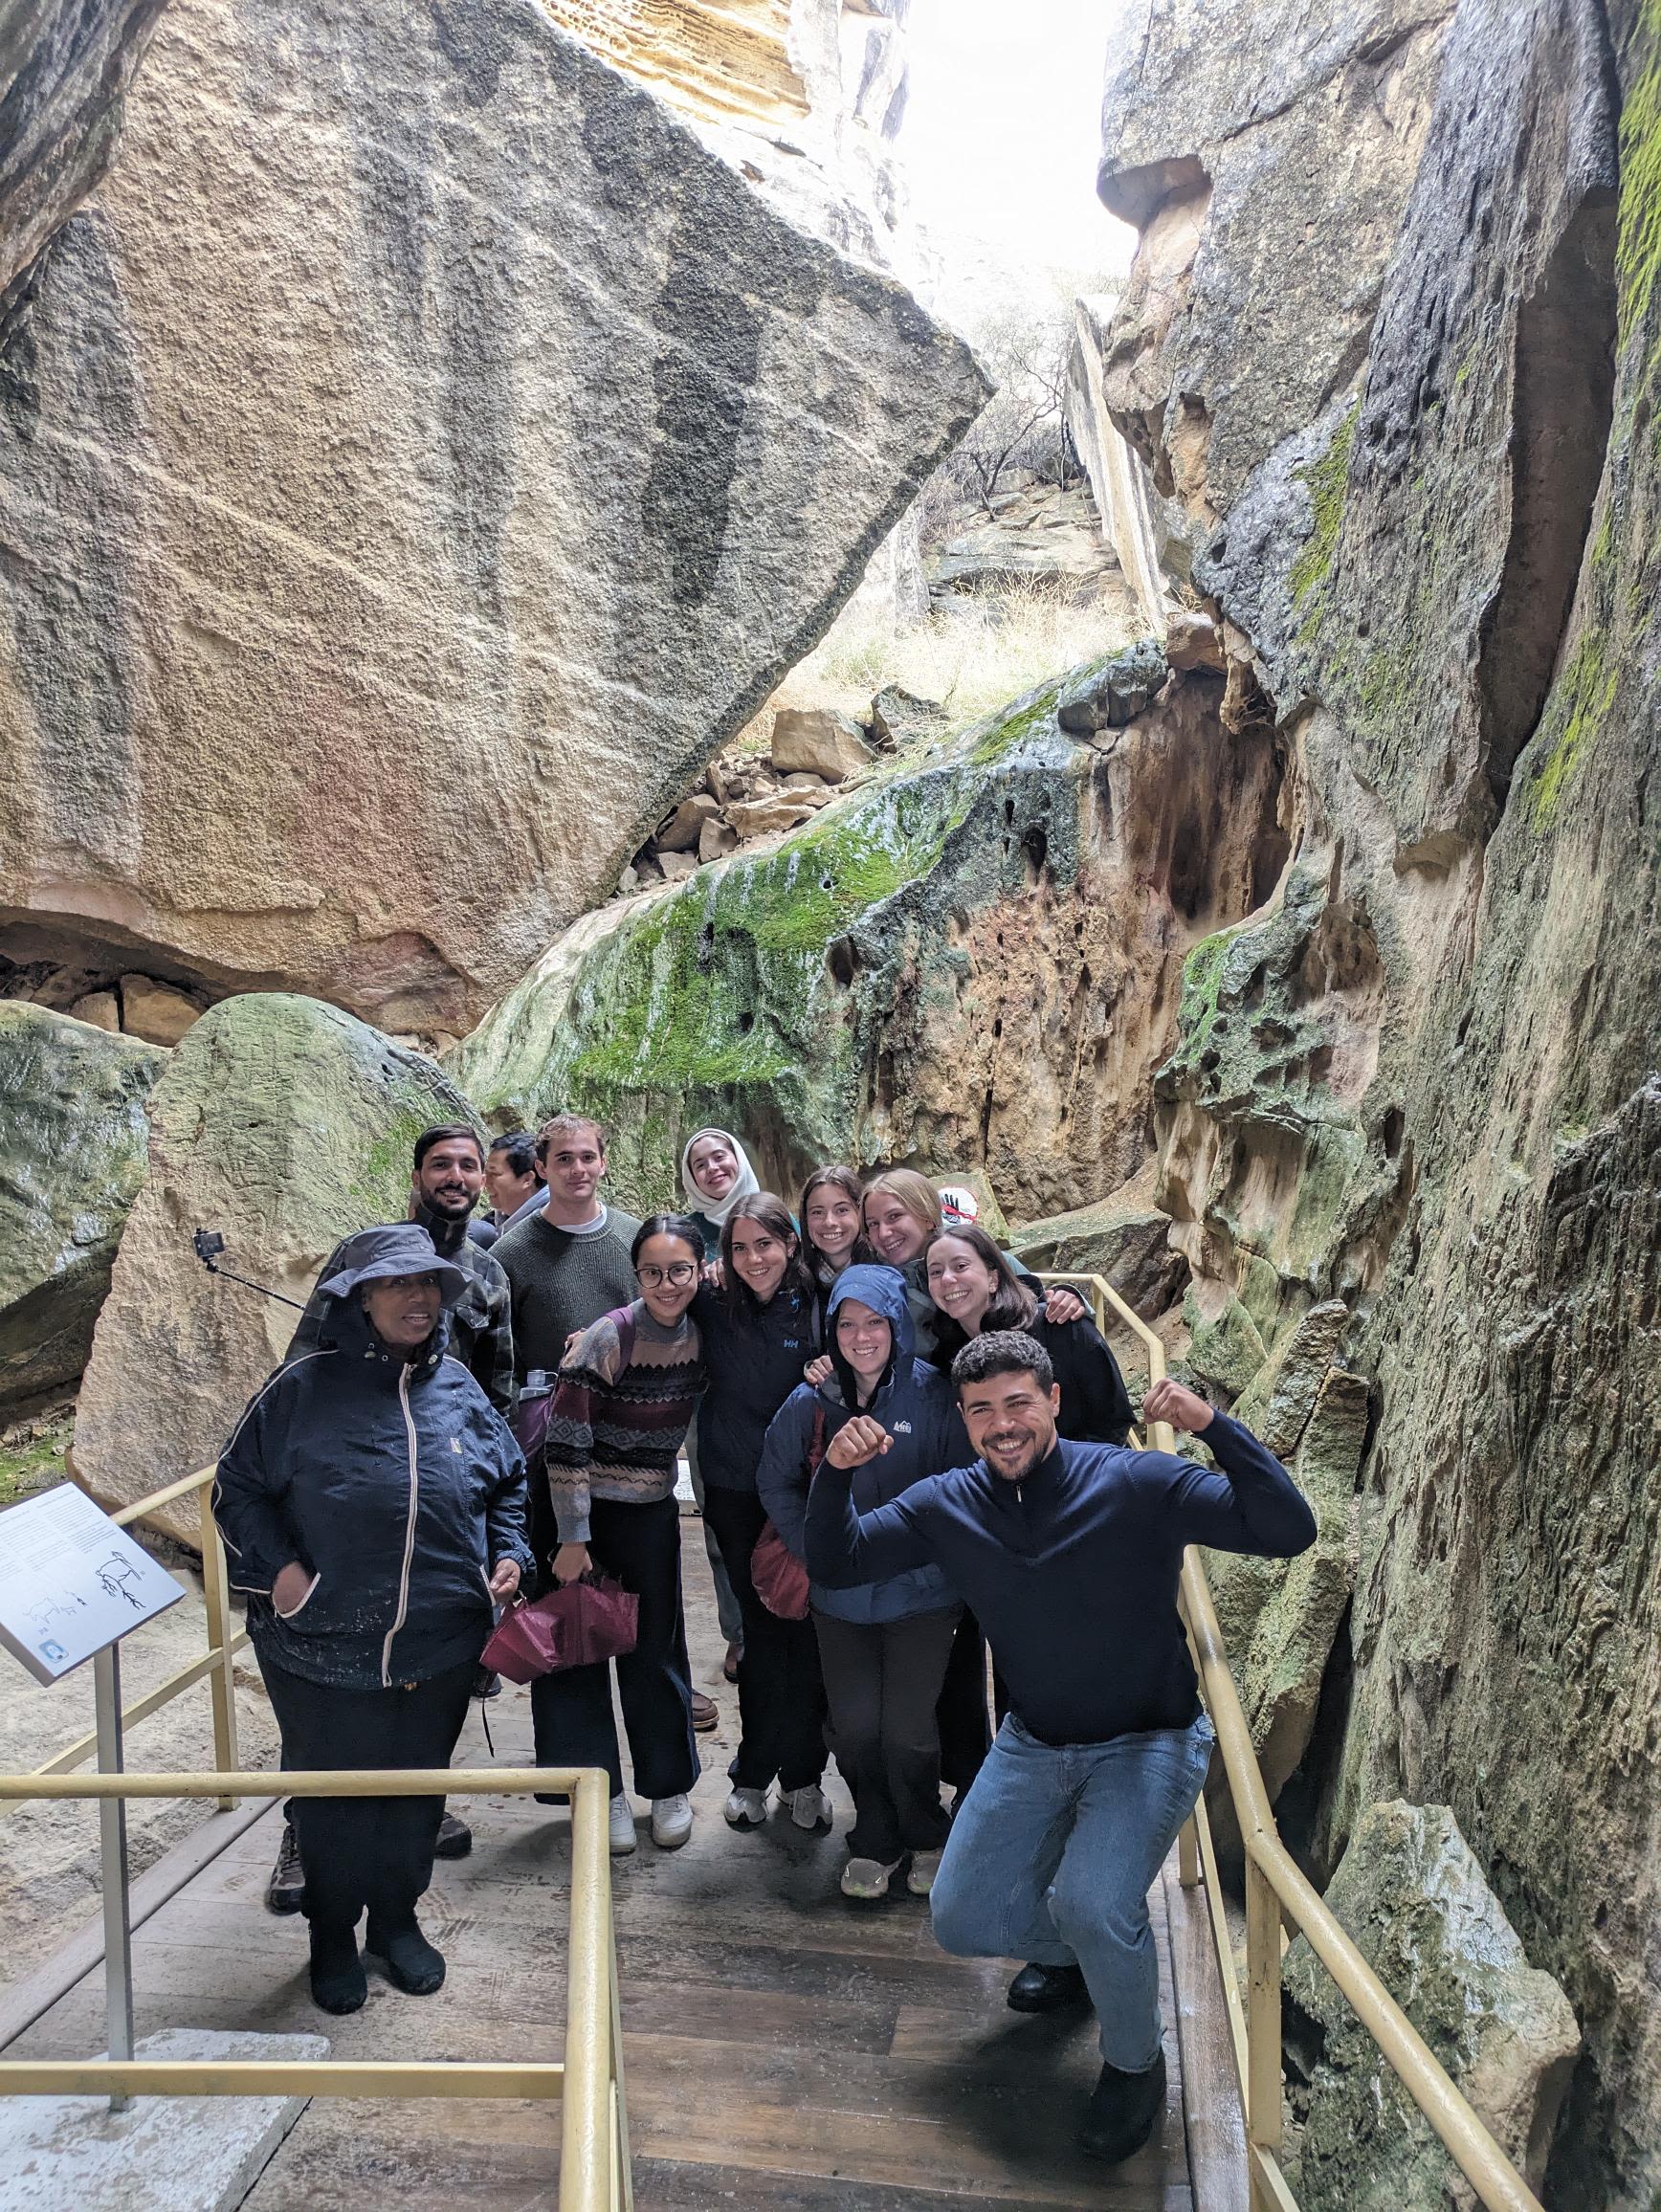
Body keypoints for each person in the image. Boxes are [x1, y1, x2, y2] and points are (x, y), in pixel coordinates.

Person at [805, 1332, 1317, 2166]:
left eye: (1017, 1404)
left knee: (1091, 1901)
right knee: (962, 1918)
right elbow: (838, 1558)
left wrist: (1215, 1426)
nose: (1002, 1426)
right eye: (981, 1411)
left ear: (1053, 1401)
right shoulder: (948, 1501)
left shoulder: (1135, 1479)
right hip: (1036, 1738)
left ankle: (1135, 2063)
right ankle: (1083, 1963)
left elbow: (1287, 1529)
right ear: (963, 1420)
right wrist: (835, 1472)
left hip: (1147, 1737)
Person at [215, 1227, 532, 2016]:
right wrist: (284, 1576)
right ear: (358, 1298)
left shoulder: (458, 1385)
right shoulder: (300, 1390)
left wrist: (510, 1556)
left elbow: (506, 1485)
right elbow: (235, 1490)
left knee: (415, 1796)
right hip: (320, 1648)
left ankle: (395, 1922)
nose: (419, 1299)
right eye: (398, 1285)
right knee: (333, 1803)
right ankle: (330, 1935)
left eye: (428, 1284)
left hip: (442, 1642)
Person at [267, 1123, 516, 1908]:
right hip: (355, 1485)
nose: (455, 1175)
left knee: (429, 1679)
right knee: (326, 1689)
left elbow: (499, 1386)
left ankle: (414, 1810)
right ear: (417, 1173)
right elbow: (303, 1366)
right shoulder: (367, 1252)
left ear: (484, 1178)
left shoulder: (487, 1273)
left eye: (468, 1164)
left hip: (447, 1490)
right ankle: (305, 1843)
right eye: (441, 1163)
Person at [757, 1265, 969, 1901]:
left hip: (921, 1597)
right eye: (846, 1324)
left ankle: (924, 1831)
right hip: (840, 1600)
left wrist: (935, 1562)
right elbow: (777, 1481)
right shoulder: (811, 1401)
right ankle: (875, 1836)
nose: (861, 1336)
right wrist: (815, 1548)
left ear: (897, 1324)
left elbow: (964, 1490)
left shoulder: (935, 1398)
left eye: (874, 1322)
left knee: (907, 1728)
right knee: (852, 1727)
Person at [536, 1216, 708, 1855]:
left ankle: (667, 1786)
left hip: (650, 1509)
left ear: (699, 1271)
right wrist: (573, 1537)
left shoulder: (704, 1329)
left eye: (680, 1270)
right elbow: (566, 1437)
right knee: (578, 1650)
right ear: (637, 1274)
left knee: (655, 1649)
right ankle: (597, 1790)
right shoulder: (610, 1336)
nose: (667, 1284)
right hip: (578, 1509)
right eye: (653, 1272)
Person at [693, 1193, 830, 1832]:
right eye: (740, 1247)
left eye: (765, 1244)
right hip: (733, 1488)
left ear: (791, 1243)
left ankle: (803, 1777)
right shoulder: (713, 1299)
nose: (754, 1259)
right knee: (758, 1636)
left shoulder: (822, 1301)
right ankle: (753, 1773)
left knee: (804, 1636)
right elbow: (652, 1309)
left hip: (804, 1489)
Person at [925, 1223, 1134, 1444]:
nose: (947, 1279)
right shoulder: (945, 1361)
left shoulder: (1060, 1325)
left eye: (960, 1266)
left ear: (992, 1278)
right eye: (936, 1272)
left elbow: (1112, 1419)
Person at [675, 1128, 757, 1680]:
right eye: (699, 1162)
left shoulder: (773, 1219)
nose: (712, 1168)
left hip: (775, 1393)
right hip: (708, 1399)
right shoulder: (684, 1235)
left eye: (719, 1156)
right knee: (722, 1524)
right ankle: (740, 1633)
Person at [679, 1127, 762, 1258]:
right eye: (700, 1165)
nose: (711, 1168)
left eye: (719, 1157)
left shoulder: (774, 1216)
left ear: (738, 1159)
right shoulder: (681, 1231)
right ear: (691, 1178)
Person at [799, 1163, 871, 1294]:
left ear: (861, 1211)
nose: (829, 1222)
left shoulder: (884, 1272)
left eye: (842, 1210)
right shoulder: (794, 1278)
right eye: (817, 1212)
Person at [483, 1130, 543, 1233]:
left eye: (494, 1174)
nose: (485, 1182)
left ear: (527, 1180)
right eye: (486, 1172)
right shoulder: (497, 1219)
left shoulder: (546, 1229)